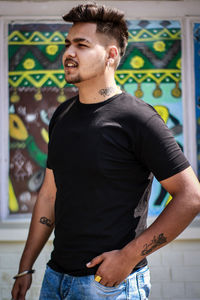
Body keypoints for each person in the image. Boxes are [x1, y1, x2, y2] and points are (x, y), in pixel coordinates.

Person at [11, 3, 200, 300]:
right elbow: (49, 194)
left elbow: (191, 196)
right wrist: (25, 267)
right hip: (54, 279)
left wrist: (128, 257)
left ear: (111, 55)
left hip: (108, 286)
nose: (68, 53)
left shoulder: (138, 119)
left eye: (81, 45)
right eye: (68, 44)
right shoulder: (62, 115)